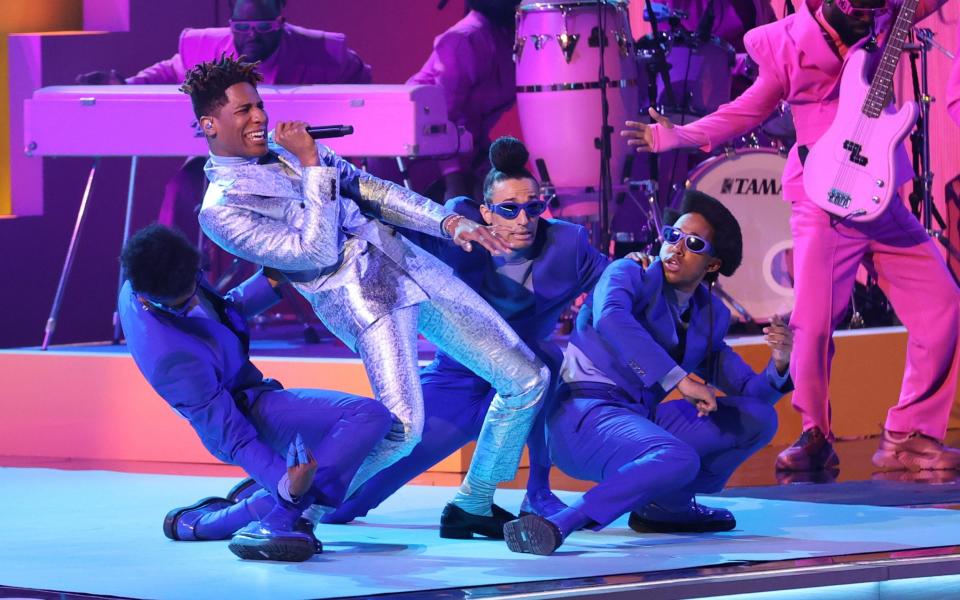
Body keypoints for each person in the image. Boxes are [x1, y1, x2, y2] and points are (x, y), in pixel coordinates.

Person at [185, 56, 550, 539]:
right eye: (243, 111)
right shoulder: (223, 207)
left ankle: (475, 501)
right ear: (210, 124)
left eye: (259, 105)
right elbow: (310, 250)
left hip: (409, 265)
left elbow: (370, 189)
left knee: (527, 378)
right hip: (361, 299)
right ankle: (285, 509)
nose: (259, 118)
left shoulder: (286, 150)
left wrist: (449, 222)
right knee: (401, 432)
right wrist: (313, 165)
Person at [623, 0, 960, 474]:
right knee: (814, 324)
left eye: (874, 10)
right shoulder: (785, 42)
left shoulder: (887, 15)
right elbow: (748, 110)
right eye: (860, 11)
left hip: (881, 198)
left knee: (943, 303)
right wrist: (676, 136)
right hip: (823, 200)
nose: (869, 18)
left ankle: (910, 436)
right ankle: (814, 433)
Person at [320, 137, 611, 524]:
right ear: (487, 212)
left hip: (527, 378)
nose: (523, 220)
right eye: (509, 209)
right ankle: (272, 494)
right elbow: (388, 223)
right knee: (344, 504)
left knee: (544, 369)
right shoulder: (457, 230)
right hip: (459, 378)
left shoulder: (567, 244)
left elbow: (615, 283)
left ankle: (535, 493)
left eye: (533, 207)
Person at [503, 191, 793, 555]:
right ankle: (560, 524)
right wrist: (678, 379)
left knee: (758, 418)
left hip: (640, 420)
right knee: (678, 457)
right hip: (583, 417)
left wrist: (781, 362)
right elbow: (611, 318)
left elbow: (751, 390)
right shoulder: (629, 272)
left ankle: (666, 507)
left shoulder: (709, 315)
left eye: (693, 243)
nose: (675, 247)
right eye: (671, 235)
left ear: (713, 264)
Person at [118, 224, 393, 562]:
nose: (192, 303)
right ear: (149, 301)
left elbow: (219, 313)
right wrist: (287, 487)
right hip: (241, 415)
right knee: (367, 417)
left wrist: (271, 281)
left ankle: (250, 503)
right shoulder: (170, 357)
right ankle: (226, 523)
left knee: (345, 451)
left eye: (194, 290)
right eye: (180, 306)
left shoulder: (158, 266)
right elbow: (233, 436)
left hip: (253, 393)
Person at [77, 0, 371, 250]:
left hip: (289, 162)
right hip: (224, 161)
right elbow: (169, 72)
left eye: (263, 27)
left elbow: (365, 87)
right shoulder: (205, 47)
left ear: (281, 21)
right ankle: (182, 286)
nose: (252, 36)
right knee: (182, 192)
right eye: (242, 28)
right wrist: (126, 84)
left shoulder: (323, 50)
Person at [406, 0, 520, 200]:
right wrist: (455, 182)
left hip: (465, 154)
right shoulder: (465, 38)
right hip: (419, 158)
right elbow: (443, 114)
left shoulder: (508, 37)